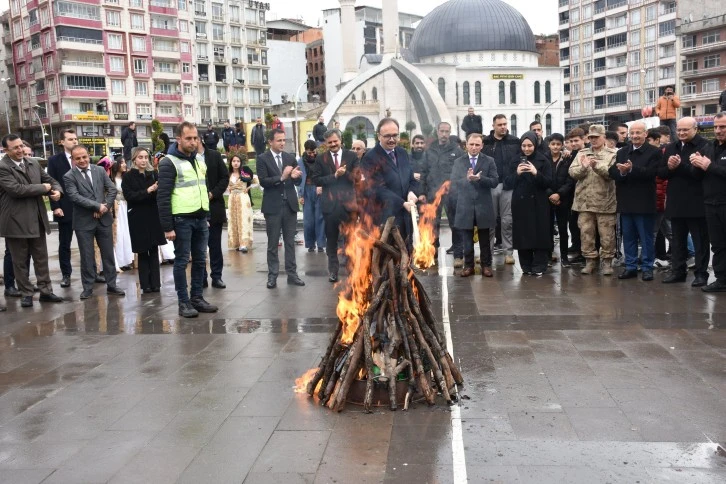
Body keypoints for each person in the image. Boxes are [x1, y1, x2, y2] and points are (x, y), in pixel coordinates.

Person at [157, 121, 218, 317]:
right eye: (188, 138)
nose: (193, 142)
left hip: (200, 217)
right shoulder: (169, 162)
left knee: (200, 260)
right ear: (179, 139)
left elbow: (203, 187)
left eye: (195, 138)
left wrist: (206, 215)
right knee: (182, 261)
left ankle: (197, 298)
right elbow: (163, 197)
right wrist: (168, 227)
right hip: (182, 219)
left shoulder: (199, 160)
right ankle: (183, 303)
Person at [0, 134, 64, 307]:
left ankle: (46, 291)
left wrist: (57, 190)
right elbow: (16, 190)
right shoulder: (2, 167)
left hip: (36, 218)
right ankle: (26, 293)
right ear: (6, 150)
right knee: (20, 261)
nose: (20, 150)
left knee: (41, 258)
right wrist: (43, 188)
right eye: (16, 148)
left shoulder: (32, 162)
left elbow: (51, 180)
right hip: (15, 221)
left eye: (21, 146)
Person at [64, 145, 126, 300]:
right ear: (73, 160)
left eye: (84, 156)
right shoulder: (69, 176)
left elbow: (112, 189)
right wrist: (97, 206)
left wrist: (105, 207)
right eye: (78, 158)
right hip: (83, 222)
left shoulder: (99, 170)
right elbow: (74, 196)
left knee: (108, 254)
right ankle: (88, 287)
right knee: (87, 256)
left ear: (88, 155)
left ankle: (112, 285)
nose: (82, 160)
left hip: (103, 220)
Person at [658, 116, 711, 286]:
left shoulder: (704, 145)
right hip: (676, 200)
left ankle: (701, 274)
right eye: (679, 130)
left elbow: (699, 174)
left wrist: (680, 166)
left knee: (700, 241)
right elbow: (662, 172)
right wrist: (670, 167)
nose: (681, 133)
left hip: (697, 201)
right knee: (677, 240)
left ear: (695, 129)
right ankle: (678, 271)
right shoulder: (671, 146)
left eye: (685, 130)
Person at [607, 121, 661, 281]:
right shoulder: (623, 151)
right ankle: (630, 266)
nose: (635, 136)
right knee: (628, 237)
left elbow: (653, 173)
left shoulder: (654, 152)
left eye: (639, 132)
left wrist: (631, 169)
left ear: (645, 134)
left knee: (646, 238)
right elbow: (612, 172)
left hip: (644, 202)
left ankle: (647, 267)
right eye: (633, 133)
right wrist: (622, 173)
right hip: (625, 202)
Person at [360, 118, 420, 243]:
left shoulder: (403, 153)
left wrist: (412, 192)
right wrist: (402, 203)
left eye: (395, 135)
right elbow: (378, 189)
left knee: (406, 254)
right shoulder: (370, 158)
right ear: (379, 136)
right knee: (386, 257)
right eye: (387, 136)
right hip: (383, 218)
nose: (392, 140)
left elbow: (411, 179)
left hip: (405, 217)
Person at [257, 128, 304, 288]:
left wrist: (297, 178)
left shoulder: (290, 157)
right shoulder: (262, 159)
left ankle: (292, 275)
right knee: (272, 243)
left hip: (290, 205)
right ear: (270, 141)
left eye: (284, 140)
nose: (283, 143)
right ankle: (272, 276)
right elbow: (263, 181)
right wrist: (282, 177)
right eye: (279, 140)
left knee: (290, 242)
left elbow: (297, 180)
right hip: (273, 207)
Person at [569, 125, 618, 275]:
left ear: (604, 137)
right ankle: (590, 261)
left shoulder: (612, 154)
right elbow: (572, 172)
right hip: (584, 202)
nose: (593, 140)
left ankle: (607, 262)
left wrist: (596, 166)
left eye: (596, 137)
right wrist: (583, 168)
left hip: (605, 202)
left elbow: (611, 174)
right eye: (591, 137)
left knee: (607, 235)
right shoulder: (582, 153)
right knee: (586, 233)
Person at [312, 129, 359, 282]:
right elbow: (317, 179)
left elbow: (357, 178)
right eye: (330, 142)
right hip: (330, 207)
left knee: (350, 239)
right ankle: (333, 271)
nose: (333, 144)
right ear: (326, 143)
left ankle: (352, 269)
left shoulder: (351, 156)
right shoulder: (321, 159)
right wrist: (334, 176)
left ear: (340, 140)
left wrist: (344, 173)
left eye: (335, 141)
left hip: (348, 207)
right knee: (331, 241)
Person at [451, 133, 498, 277]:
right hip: (465, 204)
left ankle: (486, 265)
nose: (474, 147)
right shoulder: (459, 162)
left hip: (483, 204)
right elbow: (454, 182)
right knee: (467, 239)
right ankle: (468, 266)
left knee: (485, 238)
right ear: (466, 145)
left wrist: (480, 179)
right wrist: (467, 179)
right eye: (471, 144)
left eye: (477, 145)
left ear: (482, 146)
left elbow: (494, 181)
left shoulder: (489, 161)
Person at [121, 147, 167, 294]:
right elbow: (130, 196)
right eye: (140, 157)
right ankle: (145, 285)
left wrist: (155, 190)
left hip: (152, 215)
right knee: (142, 251)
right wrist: (148, 191)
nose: (143, 160)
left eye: (146, 157)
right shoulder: (128, 177)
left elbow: (159, 194)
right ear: (134, 159)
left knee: (153, 250)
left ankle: (156, 284)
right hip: (138, 217)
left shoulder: (153, 174)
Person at [507, 131, 553, 275]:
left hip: (539, 203)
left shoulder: (543, 160)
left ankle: (539, 265)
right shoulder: (515, 161)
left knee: (540, 233)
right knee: (523, 234)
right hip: (521, 203)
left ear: (535, 145)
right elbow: (507, 183)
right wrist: (517, 174)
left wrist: (535, 173)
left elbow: (548, 182)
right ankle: (526, 265)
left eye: (530, 145)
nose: (526, 149)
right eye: (524, 145)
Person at [421, 122, 465, 265]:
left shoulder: (456, 150)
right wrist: (423, 191)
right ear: (437, 132)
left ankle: (458, 255)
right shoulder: (430, 150)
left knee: (455, 224)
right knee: (433, 224)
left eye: (447, 131)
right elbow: (424, 171)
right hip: (433, 192)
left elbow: (462, 171)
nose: (444, 134)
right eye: (442, 131)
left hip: (451, 193)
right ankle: (432, 253)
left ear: (450, 132)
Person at [692, 112, 726, 292]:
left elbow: (714, 170)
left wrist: (708, 166)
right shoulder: (709, 147)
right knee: (718, 244)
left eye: (723, 127)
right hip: (711, 204)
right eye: (716, 127)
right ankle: (722, 279)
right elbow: (698, 176)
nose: (718, 130)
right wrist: (695, 163)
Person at [482, 114, 520, 264]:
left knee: (507, 221)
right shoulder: (485, 143)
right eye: (500, 125)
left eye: (505, 124)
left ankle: (508, 253)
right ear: (493, 126)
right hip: (490, 186)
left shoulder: (515, 142)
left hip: (508, 186)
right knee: (489, 222)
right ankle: (487, 253)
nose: (503, 127)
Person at [46, 128, 79, 288]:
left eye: (75, 139)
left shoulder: (82, 157)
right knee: (65, 243)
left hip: (84, 207)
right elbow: (52, 184)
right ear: (62, 142)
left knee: (87, 243)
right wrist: (55, 207)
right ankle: (66, 274)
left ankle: (92, 272)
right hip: (65, 207)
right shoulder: (54, 160)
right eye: (71, 139)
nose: (74, 141)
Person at [201, 139, 229, 289]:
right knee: (199, 247)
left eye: (194, 139)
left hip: (214, 205)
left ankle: (216, 276)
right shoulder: (187, 158)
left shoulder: (214, 156)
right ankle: (201, 277)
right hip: (196, 209)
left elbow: (224, 177)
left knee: (215, 245)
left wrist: (213, 193)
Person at [545, 133, 575, 266]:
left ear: (562, 145)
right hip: (547, 199)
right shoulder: (544, 159)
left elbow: (570, 180)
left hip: (563, 200)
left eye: (558, 144)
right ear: (549, 145)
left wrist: (559, 195)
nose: (555, 147)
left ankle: (564, 257)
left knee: (563, 229)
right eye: (553, 144)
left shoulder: (567, 159)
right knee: (548, 228)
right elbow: (541, 179)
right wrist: (550, 194)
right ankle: (548, 255)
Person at [647, 129, 672, 267]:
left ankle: (647, 259)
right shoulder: (655, 153)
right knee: (668, 230)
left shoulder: (661, 154)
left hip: (659, 198)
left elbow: (661, 179)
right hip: (657, 198)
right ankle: (690, 253)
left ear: (657, 140)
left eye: (649, 140)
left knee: (653, 231)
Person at [298, 140, 325, 253]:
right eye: (309, 153)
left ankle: (320, 244)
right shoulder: (300, 161)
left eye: (314, 152)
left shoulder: (320, 159)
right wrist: (300, 195)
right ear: (305, 151)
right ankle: (310, 244)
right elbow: (299, 179)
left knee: (320, 218)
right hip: (307, 190)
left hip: (319, 189)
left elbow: (325, 174)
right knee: (308, 219)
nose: (312, 155)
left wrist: (322, 186)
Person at [227, 154, 257, 253]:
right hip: (232, 199)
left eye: (238, 161)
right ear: (231, 163)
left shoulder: (244, 172)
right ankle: (236, 242)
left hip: (243, 198)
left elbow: (256, 181)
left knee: (244, 220)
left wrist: (248, 188)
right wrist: (228, 189)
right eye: (234, 161)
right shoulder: (228, 174)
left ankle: (244, 243)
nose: (236, 163)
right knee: (234, 220)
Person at [565, 128, 586, 263]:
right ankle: (576, 246)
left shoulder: (586, 153)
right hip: (572, 194)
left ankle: (584, 252)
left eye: (576, 141)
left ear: (584, 139)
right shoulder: (571, 155)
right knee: (573, 224)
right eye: (571, 141)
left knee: (584, 226)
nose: (573, 144)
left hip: (585, 195)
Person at [111, 156, 134, 271]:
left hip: (126, 207)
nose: (125, 164)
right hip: (117, 208)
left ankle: (127, 260)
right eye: (122, 162)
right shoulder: (112, 180)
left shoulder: (127, 178)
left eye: (125, 162)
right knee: (119, 233)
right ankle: (119, 261)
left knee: (127, 232)